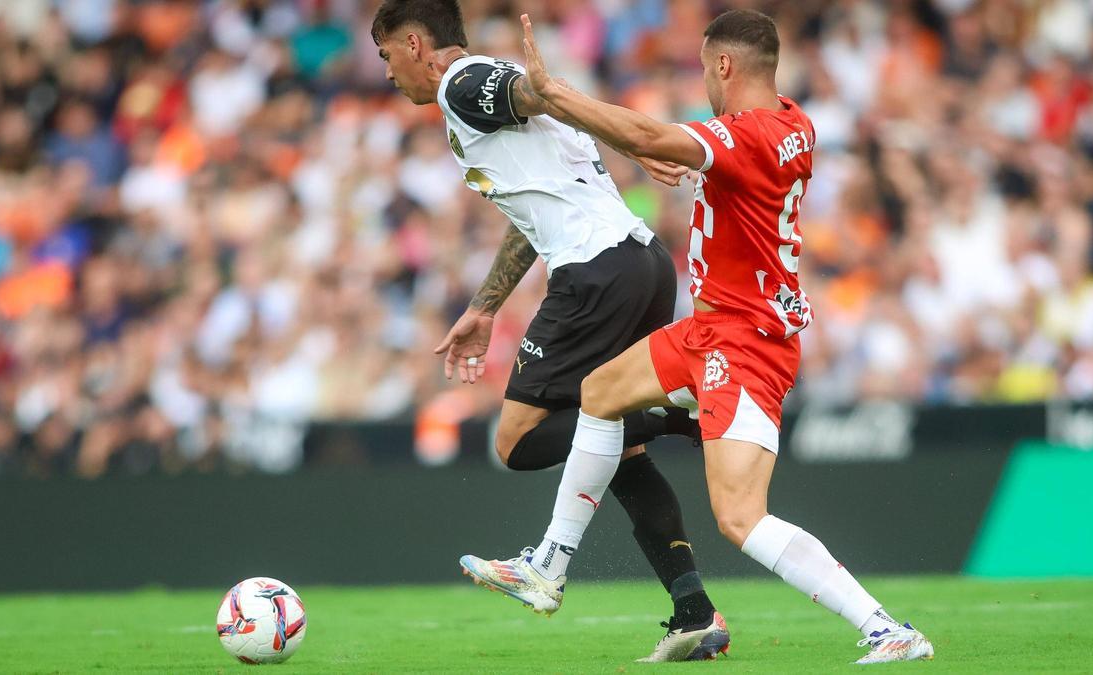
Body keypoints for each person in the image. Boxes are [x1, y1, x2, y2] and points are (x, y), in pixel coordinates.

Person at [460, 9, 935, 665]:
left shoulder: (753, 135)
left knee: (740, 516)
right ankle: (548, 565)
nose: (706, 82)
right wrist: (653, 148)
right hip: (711, 328)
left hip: (745, 340)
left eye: (706, 68)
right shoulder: (793, 121)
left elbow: (651, 131)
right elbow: (668, 145)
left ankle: (886, 627)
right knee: (600, 391)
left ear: (724, 65)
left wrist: (555, 92)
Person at [370, 0, 728, 662]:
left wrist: (538, 87)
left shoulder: (460, 81)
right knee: (616, 451)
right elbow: (530, 207)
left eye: (388, 56)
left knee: (517, 441)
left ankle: (677, 408)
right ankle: (695, 611)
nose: (389, 74)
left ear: (417, 44)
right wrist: (484, 306)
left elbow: (524, 93)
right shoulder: (485, 90)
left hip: (594, 274)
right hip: (641, 263)